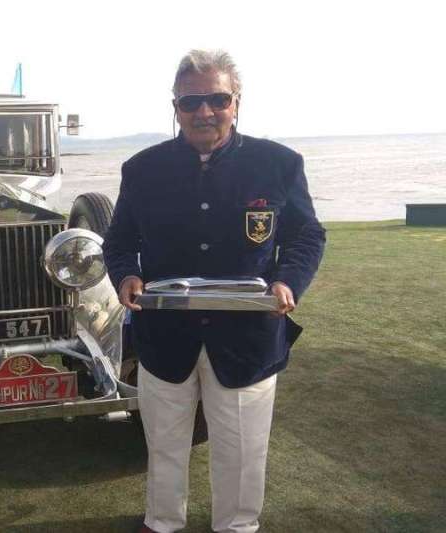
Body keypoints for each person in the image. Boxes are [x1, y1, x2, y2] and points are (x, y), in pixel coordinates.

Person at [102, 49, 326, 533]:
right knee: (164, 443)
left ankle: (238, 525)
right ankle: (162, 522)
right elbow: (119, 240)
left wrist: (289, 279)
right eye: (191, 101)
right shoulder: (141, 169)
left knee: (244, 447)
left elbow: (307, 234)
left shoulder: (279, 164)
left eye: (216, 98)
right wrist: (125, 275)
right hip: (165, 334)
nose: (204, 111)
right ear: (176, 107)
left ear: (236, 101)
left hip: (248, 335)